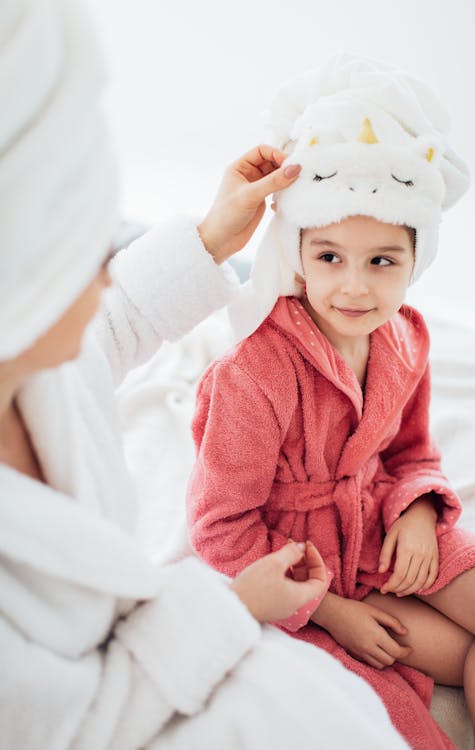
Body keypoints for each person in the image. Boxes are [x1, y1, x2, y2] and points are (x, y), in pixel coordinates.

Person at [0, 3, 414, 749]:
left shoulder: (38, 364)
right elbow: (78, 724)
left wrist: (210, 236)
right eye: (85, 247)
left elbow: (109, 323)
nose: (109, 266)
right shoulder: (252, 374)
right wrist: (236, 606)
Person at [187, 54, 475, 750]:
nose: (354, 287)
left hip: (385, 535)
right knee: (417, 682)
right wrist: (330, 612)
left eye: (382, 261)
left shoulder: (407, 337)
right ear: (298, 250)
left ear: (417, 259)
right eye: (329, 257)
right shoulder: (255, 371)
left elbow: (411, 451)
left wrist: (419, 510)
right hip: (309, 565)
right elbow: (221, 530)